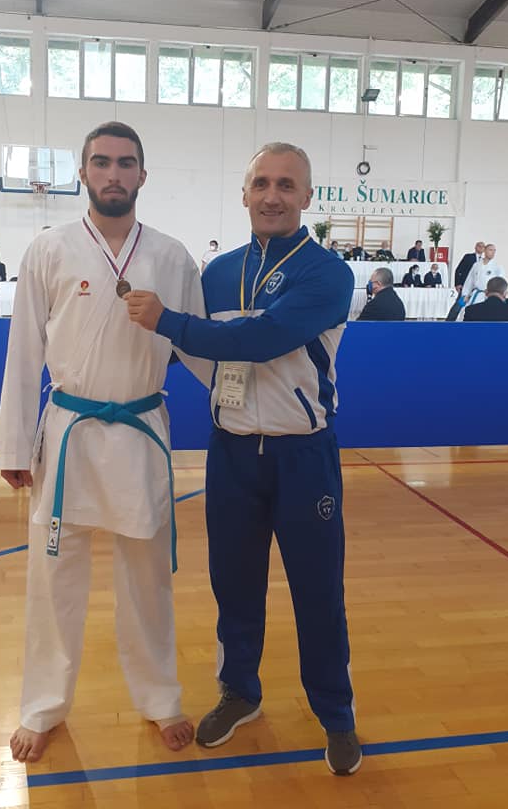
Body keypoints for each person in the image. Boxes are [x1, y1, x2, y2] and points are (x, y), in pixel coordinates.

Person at [126, 142, 362, 776]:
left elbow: (261, 338)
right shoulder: (218, 273)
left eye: (286, 184)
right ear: (244, 193)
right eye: (261, 183)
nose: (272, 195)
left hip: (303, 455)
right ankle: (240, 692)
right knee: (233, 583)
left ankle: (336, 714)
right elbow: (201, 353)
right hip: (231, 451)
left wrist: (167, 320)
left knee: (318, 590)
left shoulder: (327, 273)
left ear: (306, 196)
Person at [0, 121, 209, 765]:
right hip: (70, 432)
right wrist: (12, 446)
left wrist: (251, 396)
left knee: (148, 579)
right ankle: (43, 706)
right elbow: (24, 349)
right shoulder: (49, 248)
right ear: (84, 172)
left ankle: (160, 698)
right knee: (53, 579)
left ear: (143, 174)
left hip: (141, 429)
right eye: (102, 162)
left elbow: (200, 345)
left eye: (125, 163)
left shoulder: (172, 256)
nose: (114, 174)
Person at [461, 244, 506, 308]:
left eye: (494, 250)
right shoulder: (476, 265)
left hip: (488, 296)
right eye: (490, 250)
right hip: (476, 295)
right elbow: (469, 280)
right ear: (484, 250)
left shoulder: (497, 266)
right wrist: (465, 294)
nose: (493, 252)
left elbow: (501, 282)